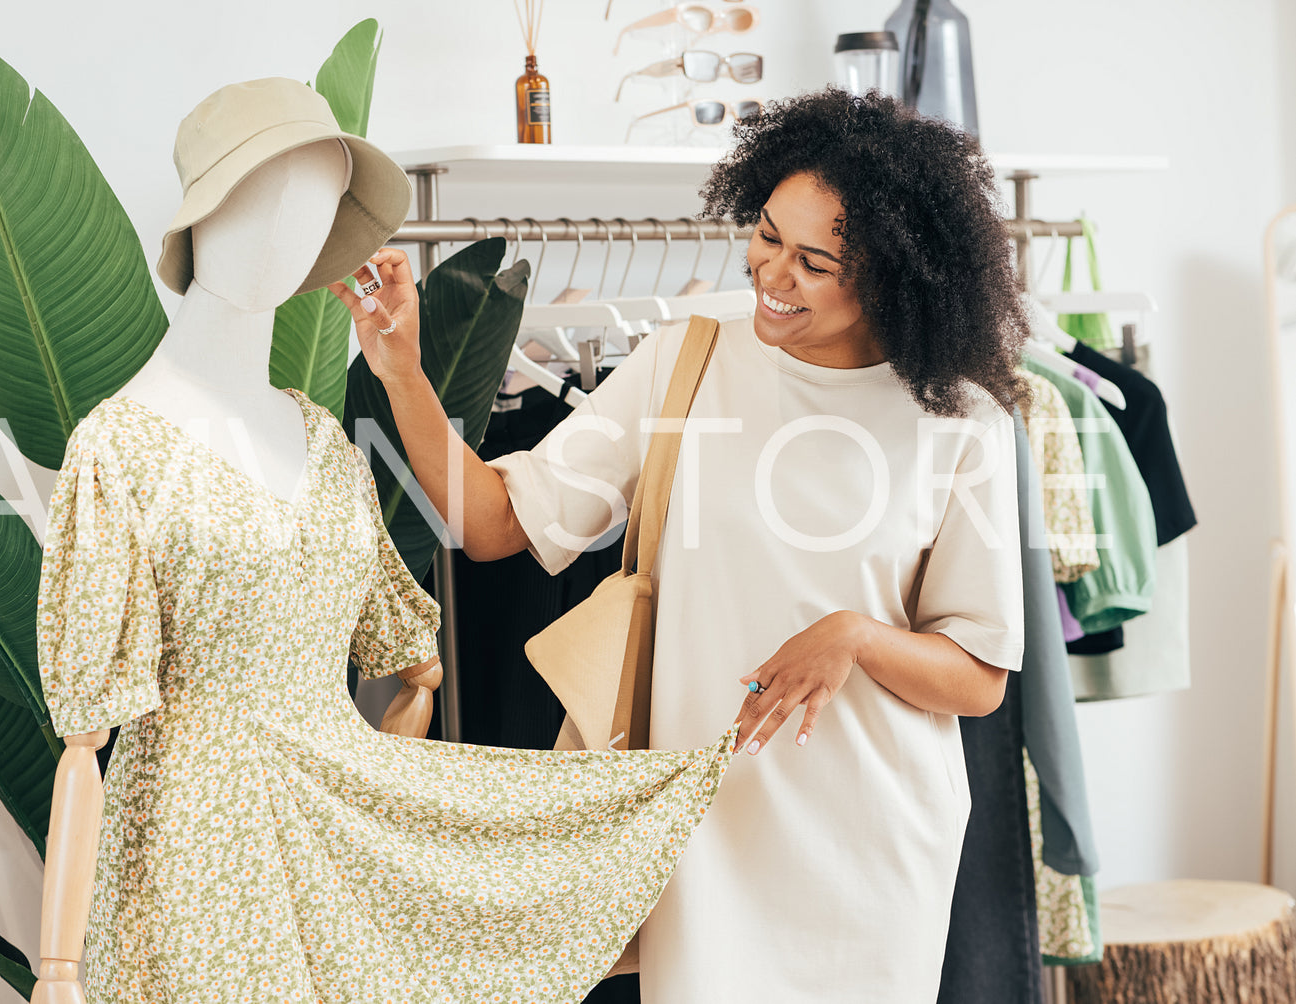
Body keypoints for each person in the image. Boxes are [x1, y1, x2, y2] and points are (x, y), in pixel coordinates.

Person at [33, 78, 734, 1004]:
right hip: (193, 846)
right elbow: (86, 738)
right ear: (200, 215)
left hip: (339, 841)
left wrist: (391, 834)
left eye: (315, 203)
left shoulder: (324, 444)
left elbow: (413, 670)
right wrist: (59, 968)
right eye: (259, 195)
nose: (288, 227)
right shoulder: (119, 447)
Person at [327, 87, 1029, 1002]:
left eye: (817, 262)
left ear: (894, 278)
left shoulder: (960, 422)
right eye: (769, 235)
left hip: (871, 848)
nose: (774, 274)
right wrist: (403, 372)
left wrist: (854, 637)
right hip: (702, 830)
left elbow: (978, 678)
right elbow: (491, 525)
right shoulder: (685, 360)